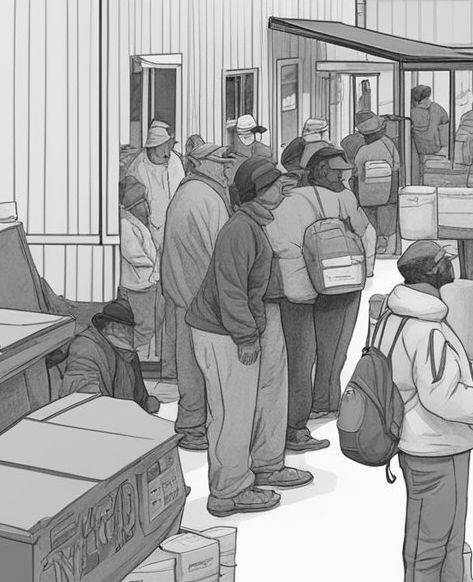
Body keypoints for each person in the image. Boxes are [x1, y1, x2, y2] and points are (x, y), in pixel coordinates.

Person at [376, 241, 473, 582]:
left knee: (446, 537)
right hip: (434, 446)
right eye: (444, 261)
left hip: (426, 443)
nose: (450, 265)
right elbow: (442, 396)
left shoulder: (393, 317)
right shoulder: (427, 329)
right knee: (429, 546)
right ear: (432, 272)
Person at [186, 157, 311, 517]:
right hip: (222, 331)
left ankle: (267, 465)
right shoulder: (239, 229)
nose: (282, 188)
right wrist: (245, 336)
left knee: (267, 397)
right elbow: (231, 290)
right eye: (274, 184)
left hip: (247, 323)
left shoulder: (255, 223)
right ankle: (228, 491)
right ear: (256, 192)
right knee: (232, 412)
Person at [267, 142, 375, 450]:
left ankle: (297, 421)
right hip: (342, 284)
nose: (342, 177)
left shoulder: (289, 201)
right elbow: (366, 234)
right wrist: (362, 275)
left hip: (299, 289)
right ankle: (324, 402)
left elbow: (278, 243)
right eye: (337, 171)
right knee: (334, 348)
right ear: (320, 170)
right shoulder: (346, 199)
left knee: (301, 357)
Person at [161, 141, 235, 450]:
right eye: (220, 164)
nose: (225, 170)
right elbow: (224, 253)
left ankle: (191, 426)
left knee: (189, 367)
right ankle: (196, 428)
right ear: (202, 165)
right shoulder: (208, 198)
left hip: (183, 296)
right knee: (208, 369)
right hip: (204, 299)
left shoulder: (186, 193)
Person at [60, 298, 161, 414]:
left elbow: (141, 398)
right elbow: (83, 397)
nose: (129, 335)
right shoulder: (86, 347)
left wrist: (147, 404)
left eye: (129, 329)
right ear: (110, 327)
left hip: (125, 417)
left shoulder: (127, 352)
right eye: (124, 329)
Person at [119, 176, 161, 362]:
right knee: (144, 326)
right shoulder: (125, 224)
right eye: (143, 202)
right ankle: (126, 356)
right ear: (134, 204)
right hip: (138, 284)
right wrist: (153, 265)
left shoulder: (135, 222)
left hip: (145, 282)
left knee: (148, 324)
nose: (147, 206)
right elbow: (133, 254)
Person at [125, 120, 186, 245]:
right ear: (154, 146)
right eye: (165, 145)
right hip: (152, 230)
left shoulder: (175, 161)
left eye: (170, 145)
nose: (168, 149)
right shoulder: (138, 166)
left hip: (176, 225)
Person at [349, 111, 402, 255]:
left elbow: (355, 172)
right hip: (388, 193)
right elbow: (396, 166)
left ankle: (374, 249)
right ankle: (390, 250)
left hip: (366, 195)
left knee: (370, 223)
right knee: (389, 222)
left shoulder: (362, 150)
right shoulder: (388, 144)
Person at [410, 85, 451, 182]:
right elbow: (446, 121)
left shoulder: (411, 111)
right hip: (435, 147)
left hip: (417, 149)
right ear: (426, 98)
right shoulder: (436, 108)